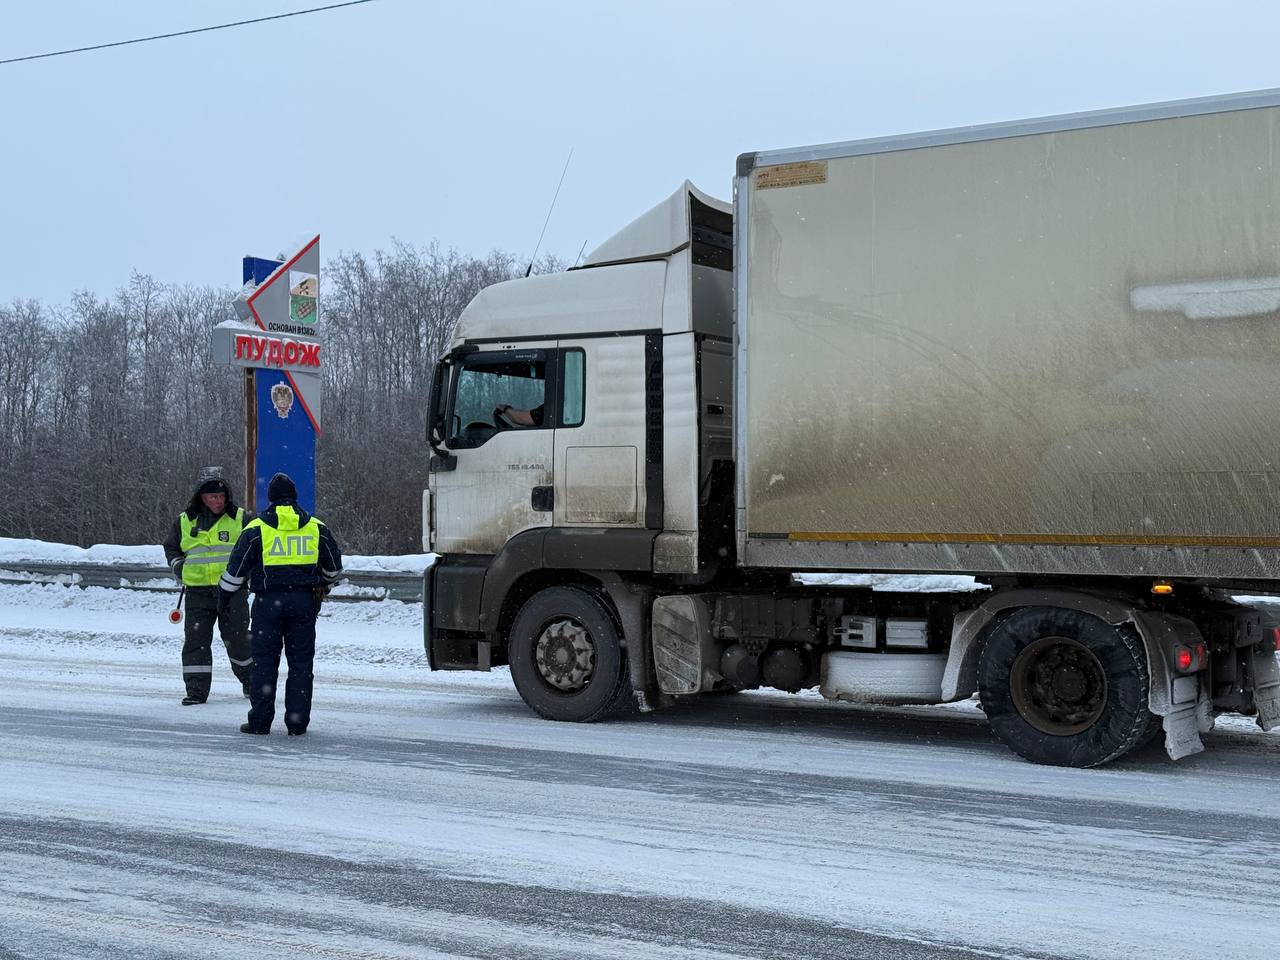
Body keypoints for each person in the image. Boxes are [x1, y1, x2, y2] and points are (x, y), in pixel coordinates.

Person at [218, 472, 342, 736]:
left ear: (271, 500)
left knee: (264, 663)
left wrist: (223, 598)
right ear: (294, 498)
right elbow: (333, 568)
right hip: (304, 603)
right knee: (300, 665)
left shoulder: (255, 530)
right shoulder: (316, 527)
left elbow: (235, 572)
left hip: (267, 605)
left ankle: (260, 723)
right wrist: (322, 584)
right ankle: (297, 723)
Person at [162, 467, 253, 705]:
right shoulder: (184, 521)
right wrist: (179, 567)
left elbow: (256, 547)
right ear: (201, 497)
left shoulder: (241, 518)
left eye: (222, 496)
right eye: (213, 496)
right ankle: (196, 691)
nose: (218, 501)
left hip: (232, 591)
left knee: (239, 639)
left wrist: (247, 572)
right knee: (196, 642)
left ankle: (251, 682)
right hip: (197, 592)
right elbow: (171, 548)